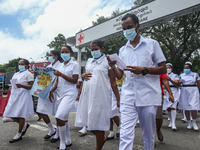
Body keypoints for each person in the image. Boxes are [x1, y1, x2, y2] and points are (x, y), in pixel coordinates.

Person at [107, 13, 166, 150]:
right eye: (124, 28)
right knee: (125, 133)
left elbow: (163, 68)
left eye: (129, 27)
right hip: (128, 95)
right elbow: (120, 75)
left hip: (148, 95)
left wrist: (144, 70)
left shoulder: (152, 44)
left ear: (137, 26)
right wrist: (112, 66)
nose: (127, 31)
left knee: (148, 133)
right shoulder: (123, 50)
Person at [75, 40, 120, 150]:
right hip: (87, 95)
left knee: (98, 124)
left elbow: (113, 82)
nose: (94, 51)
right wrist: (83, 76)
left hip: (101, 97)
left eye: (96, 49)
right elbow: (84, 77)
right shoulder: (89, 61)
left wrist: (118, 99)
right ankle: (103, 138)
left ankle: (98, 147)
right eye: (92, 49)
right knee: (89, 124)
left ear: (102, 49)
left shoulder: (107, 62)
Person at [49, 45, 79, 150]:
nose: (64, 53)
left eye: (66, 51)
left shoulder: (75, 64)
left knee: (59, 116)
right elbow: (57, 81)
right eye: (62, 52)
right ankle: (68, 140)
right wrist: (51, 90)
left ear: (71, 53)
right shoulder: (60, 66)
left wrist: (61, 74)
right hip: (59, 95)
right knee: (64, 119)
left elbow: (75, 80)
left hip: (69, 94)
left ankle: (62, 143)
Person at [3, 59, 34, 143]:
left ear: (27, 66)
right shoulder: (16, 74)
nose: (20, 66)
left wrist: (22, 86)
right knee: (10, 113)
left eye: (22, 64)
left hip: (23, 96)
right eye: (19, 64)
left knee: (21, 115)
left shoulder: (29, 74)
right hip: (14, 96)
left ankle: (19, 134)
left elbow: (31, 86)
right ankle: (24, 125)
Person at [36, 50, 62, 142]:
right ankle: (52, 129)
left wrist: (52, 89)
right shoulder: (48, 66)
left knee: (58, 114)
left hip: (56, 92)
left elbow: (60, 80)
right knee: (41, 110)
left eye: (50, 55)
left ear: (56, 56)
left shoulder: (60, 66)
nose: (49, 57)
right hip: (45, 91)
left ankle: (58, 134)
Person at [178, 61, 200, 130]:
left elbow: (199, 83)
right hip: (184, 90)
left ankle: (194, 122)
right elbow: (178, 83)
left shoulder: (195, 74)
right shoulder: (181, 75)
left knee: (194, 107)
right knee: (186, 106)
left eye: (187, 68)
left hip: (193, 90)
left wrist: (197, 90)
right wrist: (179, 82)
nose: (186, 69)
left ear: (190, 68)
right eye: (185, 68)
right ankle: (189, 123)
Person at [156, 74, 174, 143]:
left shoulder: (160, 66)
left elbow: (165, 80)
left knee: (158, 116)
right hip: (144, 94)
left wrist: (170, 93)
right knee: (148, 116)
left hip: (158, 94)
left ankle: (158, 130)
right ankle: (150, 139)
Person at [163, 63, 179, 130]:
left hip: (173, 90)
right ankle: (170, 122)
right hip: (165, 91)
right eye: (166, 68)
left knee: (173, 107)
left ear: (171, 69)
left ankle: (173, 123)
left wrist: (170, 80)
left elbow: (176, 83)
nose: (168, 69)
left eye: (169, 67)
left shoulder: (175, 75)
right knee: (168, 108)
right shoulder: (163, 74)